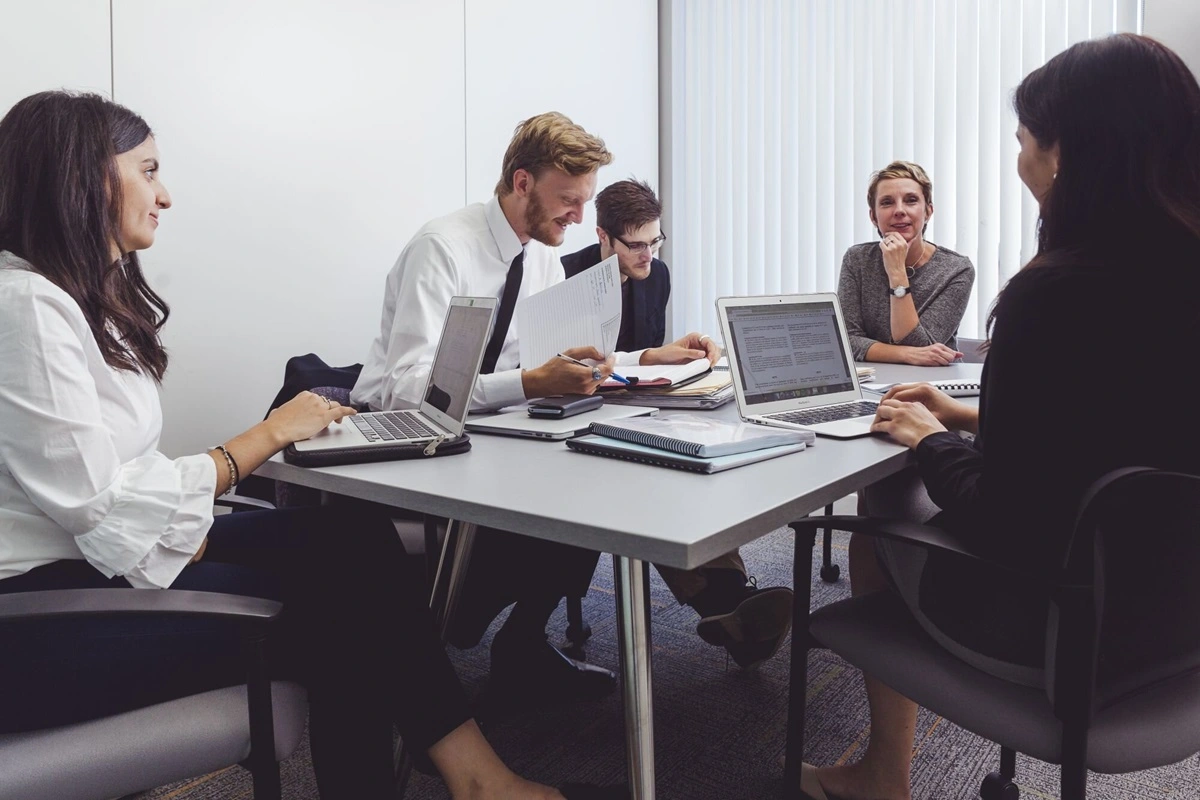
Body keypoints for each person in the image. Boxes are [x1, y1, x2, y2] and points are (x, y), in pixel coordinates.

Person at [0, 90, 623, 800]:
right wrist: (263, 438)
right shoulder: (27, 309)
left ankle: (475, 774)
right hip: (48, 616)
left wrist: (186, 523)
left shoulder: (71, 300)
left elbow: (105, 483)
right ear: (84, 178)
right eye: (148, 171)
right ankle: (478, 777)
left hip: (100, 564)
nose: (165, 194)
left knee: (353, 542)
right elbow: (100, 506)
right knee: (351, 616)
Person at [800, 34, 1200, 800]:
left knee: (882, 501)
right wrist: (965, 416)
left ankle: (881, 776)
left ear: (1067, 154)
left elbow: (1006, 518)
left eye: (1024, 141)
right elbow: (1120, 435)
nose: (1019, 163)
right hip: (1175, 615)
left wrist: (926, 438)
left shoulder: (1056, 296)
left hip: (1064, 631)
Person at [352, 112, 720, 706]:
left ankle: (516, 637)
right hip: (405, 437)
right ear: (522, 182)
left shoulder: (542, 254)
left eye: (585, 201)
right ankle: (456, 615)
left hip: (490, 428)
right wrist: (526, 383)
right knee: (565, 498)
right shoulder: (443, 248)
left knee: (604, 477)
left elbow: (549, 362)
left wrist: (646, 356)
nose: (579, 218)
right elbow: (408, 391)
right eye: (567, 201)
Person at [561, 179, 793, 667]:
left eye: (655, 240)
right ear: (603, 237)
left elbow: (649, 360)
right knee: (653, 482)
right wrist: (647, 361)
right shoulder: (566, 279)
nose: (649, 254)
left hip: (641, 410)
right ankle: (725, 602)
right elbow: (570, 368)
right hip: (577, 422)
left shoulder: (656, 275)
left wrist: (679, 360)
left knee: (695, 465)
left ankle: (729, 600)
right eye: (637, 244)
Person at [837, 160, 975, 366]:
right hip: (875, 383)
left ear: (928, 212)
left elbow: (923, 345)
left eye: (911, 200)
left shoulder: (956, 269)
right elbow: (846, 340)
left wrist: (897, 272)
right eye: (887, 202)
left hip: (933, 386)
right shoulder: (857, 260)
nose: (899, 210)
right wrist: (906, 354)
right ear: (873, 216)